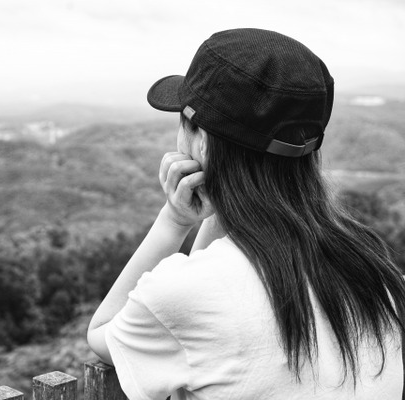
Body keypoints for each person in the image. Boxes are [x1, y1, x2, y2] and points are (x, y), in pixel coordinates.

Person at [86, 28, 405, 400]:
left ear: (202, 142)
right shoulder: (376, 271)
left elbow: (103, 333)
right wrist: (218, 209)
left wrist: (174, 220)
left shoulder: (186, 294)